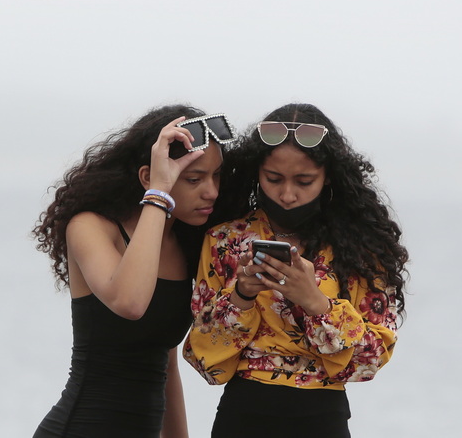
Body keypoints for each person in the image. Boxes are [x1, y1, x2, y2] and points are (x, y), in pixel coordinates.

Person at [183, 103, 409, 438]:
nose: (287, 194)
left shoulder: (362, 249)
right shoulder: (225, 240)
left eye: (304, 181)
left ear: (328, 175)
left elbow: (370, 360)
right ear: (256, 171)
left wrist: (315, 301)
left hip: (323, 419)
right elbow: (205, 361)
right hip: (242, 415)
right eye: (273, 179)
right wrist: (242, 295)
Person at [32, 104, 238, 438]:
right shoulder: (91, 227)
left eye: (216, 176)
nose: (211, 191)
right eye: (194, 178)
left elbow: (165, 361)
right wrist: (158, 195)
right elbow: (130, 302)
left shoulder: (187, 244)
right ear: (149, 176)